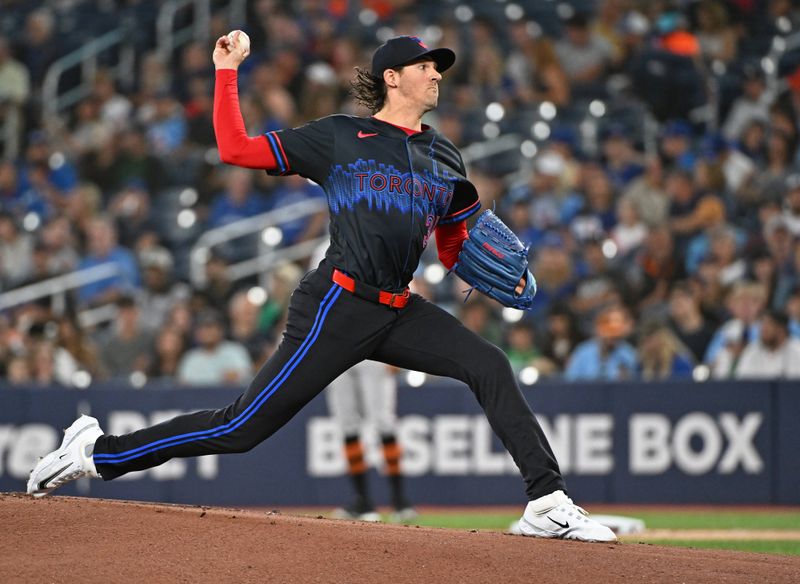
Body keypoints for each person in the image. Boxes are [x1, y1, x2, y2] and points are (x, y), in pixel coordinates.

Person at [27, 34, 615, 543]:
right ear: (393, 77)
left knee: (489, 363)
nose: (437, 73)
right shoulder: (340, 136)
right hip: (336, 303)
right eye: (426, 66)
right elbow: (236, 148)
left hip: (398, 309)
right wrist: (226, 72)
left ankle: (546, 502)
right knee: (240, 428)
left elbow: (452, 240)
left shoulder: (443, 152)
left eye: (438, 66)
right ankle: (97, 453)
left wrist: (488, 268)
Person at [327, 361, 416, 523]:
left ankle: (399, 501)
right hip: (337, 352)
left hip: (372, 353)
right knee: (347, 425)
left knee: (384, 422)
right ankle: (363, 501)